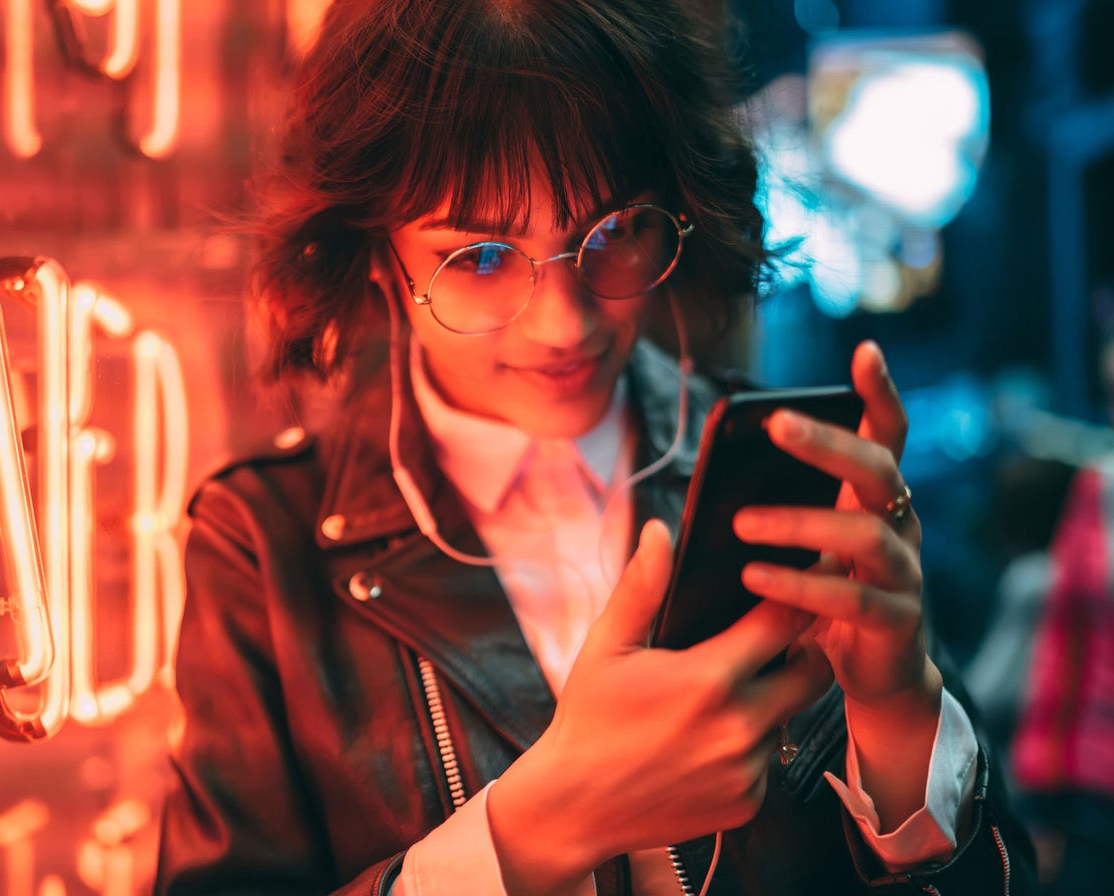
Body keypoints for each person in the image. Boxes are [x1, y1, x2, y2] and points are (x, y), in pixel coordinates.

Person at [154, 1, 1035, 894]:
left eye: (612, 234)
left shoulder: (789, 466)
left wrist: (898, 715)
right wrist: (540, 827)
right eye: (482, 257)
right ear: (379, 254)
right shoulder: (265, 547)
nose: (564, 322)